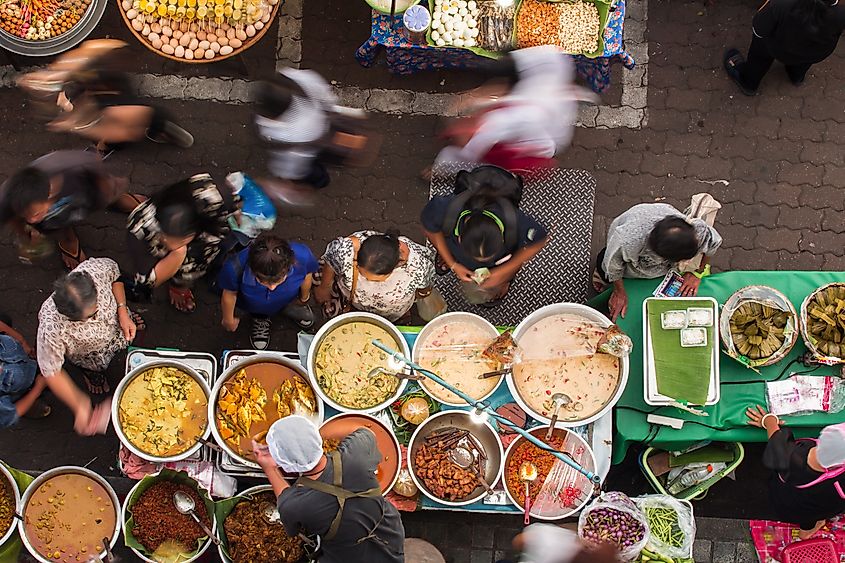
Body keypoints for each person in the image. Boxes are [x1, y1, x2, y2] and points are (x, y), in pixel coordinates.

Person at [253, 416, 405, 563]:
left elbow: (286, 508)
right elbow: (365, 431)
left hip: (347, 556)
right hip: (388, 533)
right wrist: (304, 440)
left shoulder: (294, 505)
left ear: (286, 467)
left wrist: (269, 468)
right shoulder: (357, 452)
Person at [433, 45, 595, 173]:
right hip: (531, 126)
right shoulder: (554, 63)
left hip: (530, 144)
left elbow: (482, 137)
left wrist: (464, 138)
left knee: (473, 161)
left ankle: (443, 171)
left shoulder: (522, 115)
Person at [18, 39, 193, 157]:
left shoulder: (116, 107)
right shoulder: (93, 61)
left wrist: (75, 126)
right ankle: (165, 129)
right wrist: (49, 77)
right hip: (111, 100)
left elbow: (126, 131)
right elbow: (77, 59)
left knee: (125, 131)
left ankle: (166, 131)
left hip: (129, 113)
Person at [37, 258, 141, 435]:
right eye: (88, 317)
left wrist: (122, 311)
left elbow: (116, 280)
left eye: (96, 309)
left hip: (118, 326)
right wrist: (80, 404)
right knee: (95, 368)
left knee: (131, 333)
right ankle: (93, 376)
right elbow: (51, 371)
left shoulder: (96, 269)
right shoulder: (51, 328)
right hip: (91, 355)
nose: (95, 316)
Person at [421, 165, 549, 306]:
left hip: (500, 261)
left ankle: (505, 281)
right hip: (457, 248)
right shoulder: (444, 208)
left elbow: (537, 242)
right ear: (459, 237)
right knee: (447, 251)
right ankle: (447, 257)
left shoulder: (516, 222)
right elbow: (430, 229)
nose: (480, 263)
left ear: (502, 238)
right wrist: (453, 263)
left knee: (508, 272)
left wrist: (501, 273)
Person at [0, 151, 144, 269]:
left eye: (35, 213)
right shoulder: (8, 198)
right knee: (57, 224)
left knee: (107, 195)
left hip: (85, 192)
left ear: (48, 193)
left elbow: (96, 166)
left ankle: (119, 201)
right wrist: (26, 237)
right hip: (58, 219)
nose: (31, 220)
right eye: (26, 215)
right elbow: (12, 217)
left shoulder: (70, 167)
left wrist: (109, 191)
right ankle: (68, 241)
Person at [254, 68, 376, 206]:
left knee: (315, 173)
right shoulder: (297, 79)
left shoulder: (283, 132)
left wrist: (280, 186)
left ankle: (320, 181)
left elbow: (293, 166)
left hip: (318, 145)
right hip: (330, 126)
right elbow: (327, 99)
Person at [127, 173, 238, 313]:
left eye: (179, 238)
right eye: (164, 234)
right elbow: (146, 282)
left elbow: (234, 209)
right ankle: (178, 285)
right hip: (178, 249)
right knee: (183, 267)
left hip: (208, 236)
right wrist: (178, 254)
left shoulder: (211, 196)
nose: (168, 242)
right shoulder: (139, 229)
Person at [596, 203, 722, 321]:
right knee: (605, 268)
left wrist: (697, 273)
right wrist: (619, 292)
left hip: (660, 268)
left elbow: (713, 243)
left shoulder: (695, 231)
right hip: (623, 262)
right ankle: (602, 278)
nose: (686, 262)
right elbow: (613, 264)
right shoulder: (628, 241)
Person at [747, 406, 845, 539]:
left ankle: (807, 531)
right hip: (823, 504)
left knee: (802, 512)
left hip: (790, 502)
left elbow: (774, 434)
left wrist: (768, 419)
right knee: (812, 516)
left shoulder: (789, 457)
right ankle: (807, 532)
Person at [218, 233, 318, 350]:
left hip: (291, 299)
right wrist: (228, 319)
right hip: (254, 306)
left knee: (302, 311)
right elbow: (229, 294)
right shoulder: (234, 268)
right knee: (259, 312)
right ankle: (260, 319)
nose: (272, 288)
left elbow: (307, 275)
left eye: (278, 280)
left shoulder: (303, 255)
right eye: (262, 281)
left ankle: (293, 308)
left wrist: (304, 298)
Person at [723, 0, 845, 95]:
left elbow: (758, 29)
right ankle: (796, 76)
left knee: (760, 51)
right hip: (816, 52)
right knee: (803, 61)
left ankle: (749, 83)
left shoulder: (781, 4)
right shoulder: (841, 11)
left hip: (778, 48)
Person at [314, 230, 436, 322]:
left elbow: (425, 289)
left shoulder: (419, 267)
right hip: (352, 301)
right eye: (361, 273)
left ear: (394, 267)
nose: (366, 280)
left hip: (390, 313)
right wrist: (324, 287)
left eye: (373, 279)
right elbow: (330, 261)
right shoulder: (346, 249)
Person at [0, 314, 51, 427]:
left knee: (4, 319)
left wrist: (22, 342)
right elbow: (13, 413)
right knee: (11, 411)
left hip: (23, 361)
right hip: (23, 384)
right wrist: (38, 388)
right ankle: (27, 399)